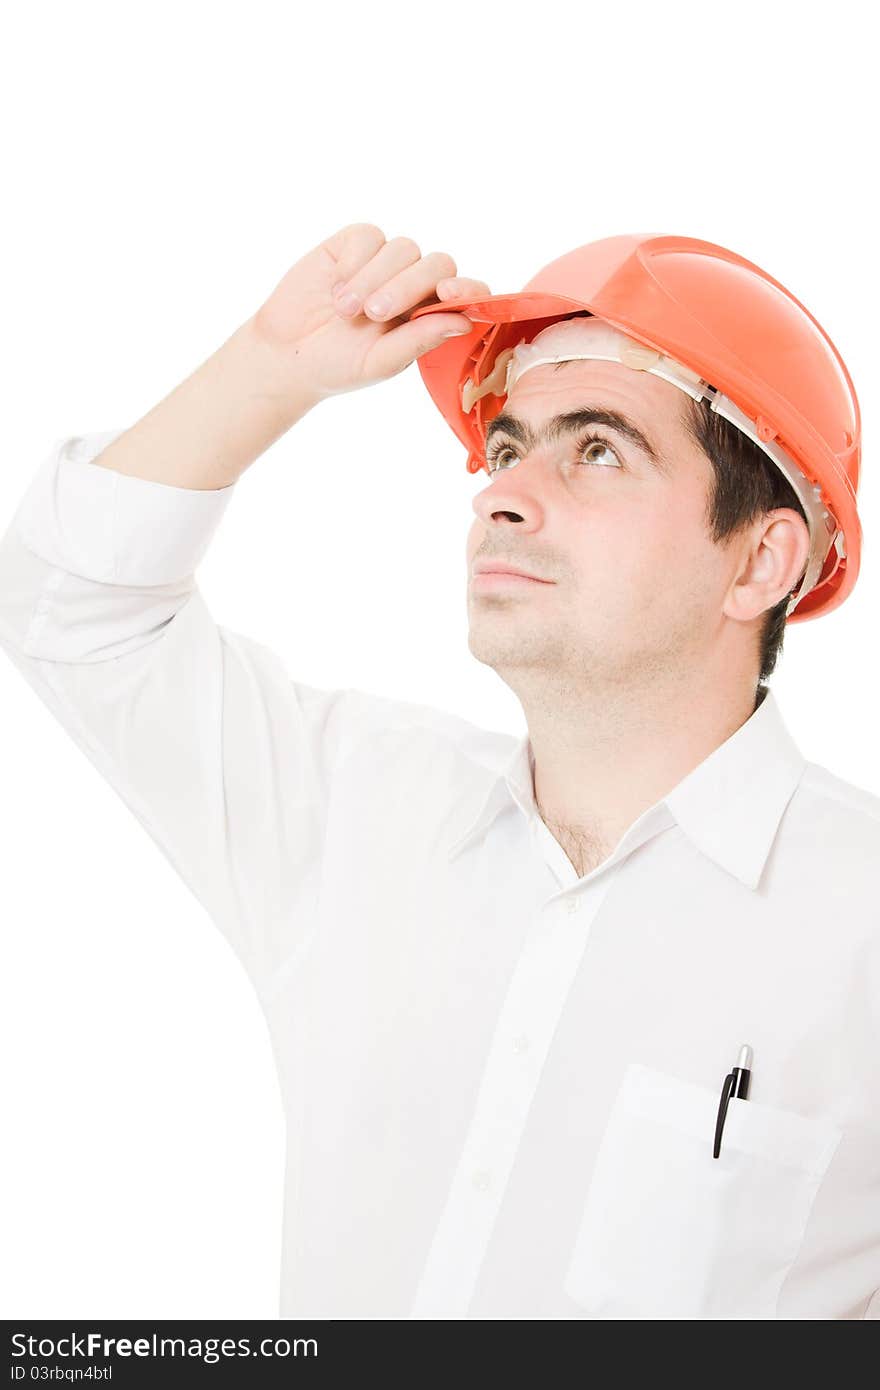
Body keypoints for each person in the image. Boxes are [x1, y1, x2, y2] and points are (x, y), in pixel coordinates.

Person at [0, 223, 877, 1321]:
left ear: (758, 560)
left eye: (596, 448)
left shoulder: (859, 926)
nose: (498, 496)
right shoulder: (358, 810)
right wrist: (272, 367)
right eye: (507, 449)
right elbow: (71, 607)